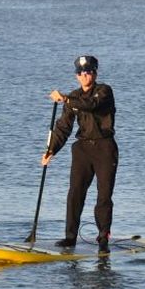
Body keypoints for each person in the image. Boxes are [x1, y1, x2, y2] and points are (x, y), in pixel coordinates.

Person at [42, 55, 118, 254]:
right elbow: (63, 128)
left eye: (89, 71)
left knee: (104, 195)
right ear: (77, 76)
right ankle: (70, 238)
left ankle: (103, 238)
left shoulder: (104, 91)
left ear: (95, 73)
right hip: (82, 150)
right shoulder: (73, 97)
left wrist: (66, 98)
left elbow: (91, 105)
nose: (85, 75)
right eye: (81, 73)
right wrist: (51, 150)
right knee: (75, 193)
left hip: (104, 148)